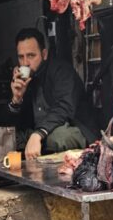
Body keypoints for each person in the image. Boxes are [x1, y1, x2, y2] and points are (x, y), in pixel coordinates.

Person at [7, 27, 97, 158]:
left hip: (73, 128)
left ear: (44, 54)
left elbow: (64, 107)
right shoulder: (24, 79)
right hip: (40, 132)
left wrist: (38, 134)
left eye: (31, 56)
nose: (25, 63)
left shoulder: (61, 70)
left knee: (58, 138)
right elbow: (15, 125)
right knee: (10, 138)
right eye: (21, 57)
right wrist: (16, 99)